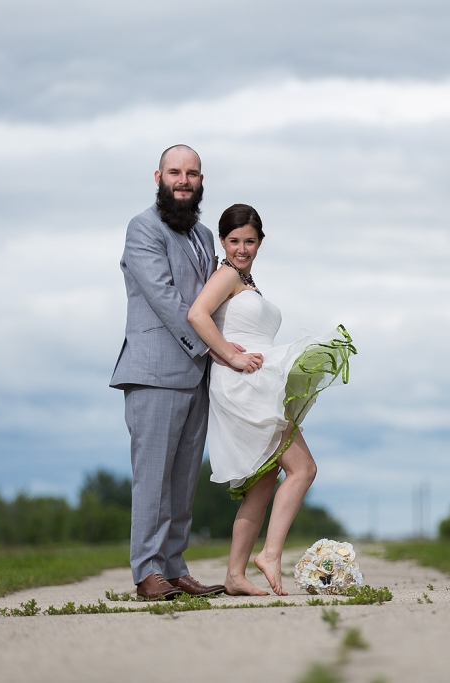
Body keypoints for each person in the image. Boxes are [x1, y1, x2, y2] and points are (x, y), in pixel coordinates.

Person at [188, 203, 355, 596]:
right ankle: (271, 554)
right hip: (245, 383)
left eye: (249, 241)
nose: (241, 249)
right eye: (233, 241)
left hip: (258, 379)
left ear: (260, 241)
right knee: (303, 469)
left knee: (262, 486)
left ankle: (234, 575)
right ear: (223, 241)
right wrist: (229, 354)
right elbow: (198, 314)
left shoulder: (245, 279)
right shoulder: (227, 274)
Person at [109, 145, 229, 600]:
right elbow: (164, 298)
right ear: (158, 176)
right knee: (153, 479)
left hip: (198, 376)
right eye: (175, 173)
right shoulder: (142, 228)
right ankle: (147, 573)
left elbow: (212, 300)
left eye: (192, 174)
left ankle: (174, 567)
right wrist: (217, 349)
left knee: (182, 483)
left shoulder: (202, 235)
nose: (184, 181)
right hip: (155, 373)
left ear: (201, 181)